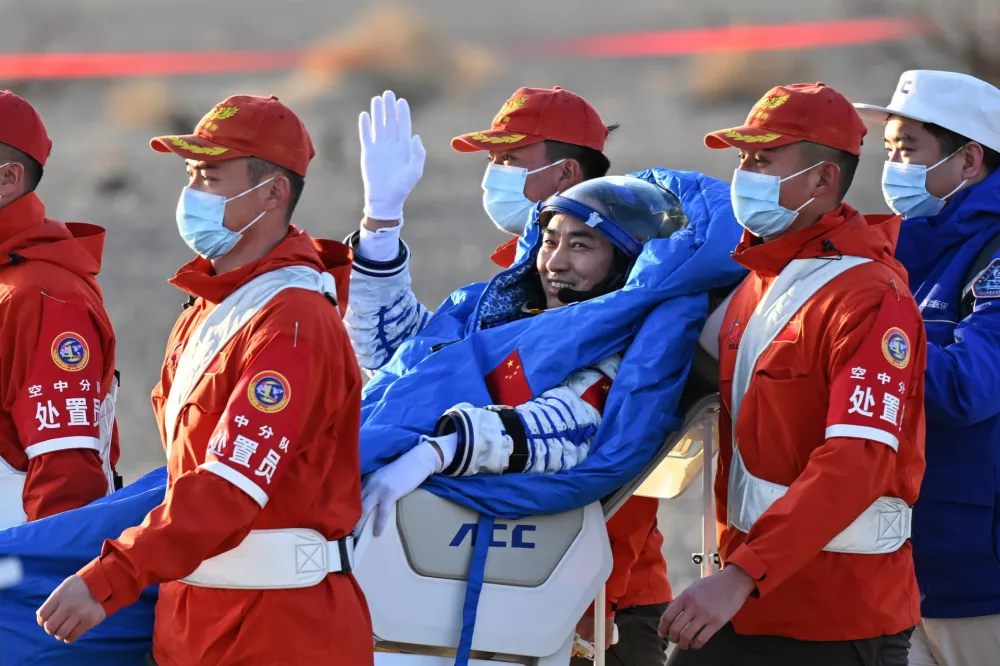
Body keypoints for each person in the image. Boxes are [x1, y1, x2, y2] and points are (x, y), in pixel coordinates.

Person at [35, 94, 372, 666]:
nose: (192, 193)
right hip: (192, 617)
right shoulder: (213, 306)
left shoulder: (295, 323)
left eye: (211, 177)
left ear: (272, 193)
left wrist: (111, 576)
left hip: (280, 629)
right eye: (191, 174)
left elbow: (229, 485)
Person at [351, 87, 672, 664]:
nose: (491, 175)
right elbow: (398, 360)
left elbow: (571, 426)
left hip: (595, 602)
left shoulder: (628, 322)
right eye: (551, 242)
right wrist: (379, 227)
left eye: (506, 160)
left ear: (564, 173)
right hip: (467, 582)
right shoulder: (502, 299)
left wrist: (437, 449)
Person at [659, 83, 927, 666]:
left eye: (762, 159)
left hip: (840, 617)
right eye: (742, 159)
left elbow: (857, 461)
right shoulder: (758, 279)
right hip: (750, 603)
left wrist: (738, 577)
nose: (743, 174)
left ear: (822, 180)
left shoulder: (871, 298)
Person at [854, 70, 1000, 666]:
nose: (893, 167)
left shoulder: (993, 254)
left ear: (968, 161)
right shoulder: (900, 249)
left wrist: (861, 340)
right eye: (888, 150)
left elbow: (968, 387)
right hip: (897, 567)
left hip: (978, 574)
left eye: (908, 150)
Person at [0, 90, 120, 529]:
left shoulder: (42, 296)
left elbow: (66, 484)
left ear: (8, 178)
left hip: (15, 580)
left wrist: (39, 589)